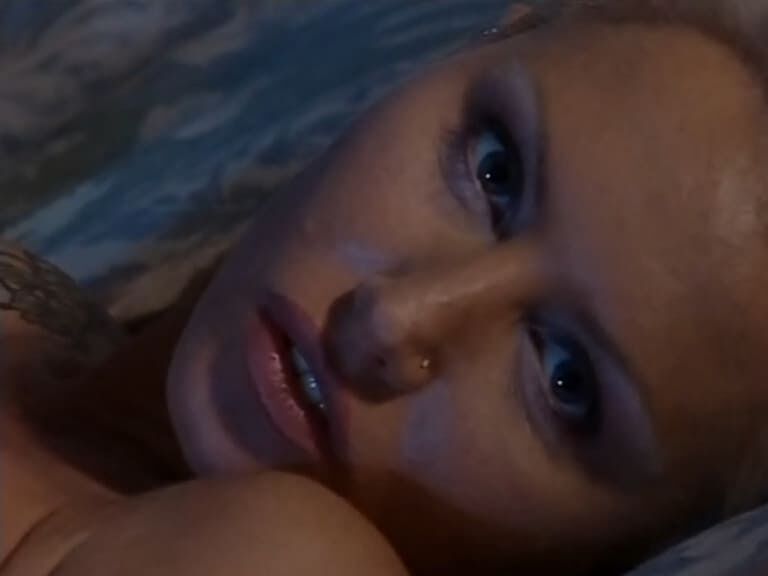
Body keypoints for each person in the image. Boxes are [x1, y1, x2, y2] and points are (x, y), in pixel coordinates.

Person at [3, 0, 768, 574]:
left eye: (567, 381)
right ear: (480, 44)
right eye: (494, 170)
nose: (393, 319)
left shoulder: (278, 558)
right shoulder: (50, 327)